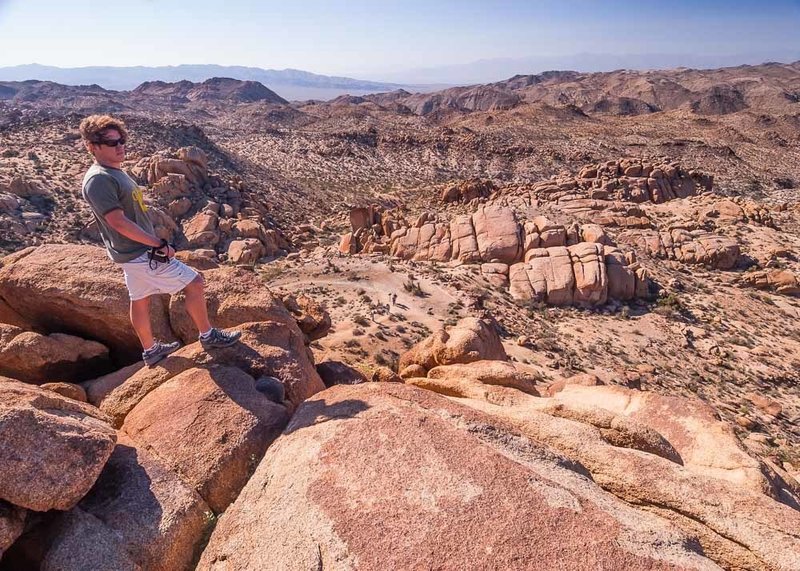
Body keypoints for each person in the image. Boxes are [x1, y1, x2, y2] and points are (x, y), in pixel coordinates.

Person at [79, 114, 240, 366]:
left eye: (122, 140)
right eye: (112, 143)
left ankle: (151, 350)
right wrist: (157, 244)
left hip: (131, 253)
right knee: (195, 283)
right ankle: (208, 335)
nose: (120, 146)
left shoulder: (112, 171)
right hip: (140, 253)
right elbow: (117, 221)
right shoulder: (99, 179)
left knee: (139, 300)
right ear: (92, 146)